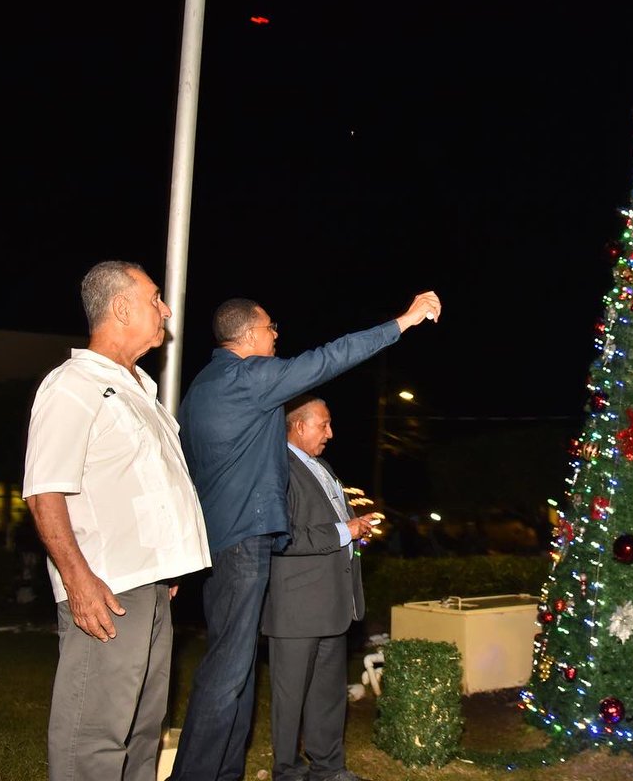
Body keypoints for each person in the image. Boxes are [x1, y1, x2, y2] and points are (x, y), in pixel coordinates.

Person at [169, 290, 441, 781]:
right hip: (243, 542)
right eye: (271, 329)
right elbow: (329, 359)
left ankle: (224, 772)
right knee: (227, 674)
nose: (277, 337)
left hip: (221, 541)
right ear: (250, 335)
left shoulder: (202, 387)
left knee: (240, 672)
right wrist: (404, 320)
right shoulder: (246, 377)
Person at [22, 260, 211, 781]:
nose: (165, 309)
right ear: (121, 307)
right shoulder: (73, 385)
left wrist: (169, 565)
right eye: (154, 298)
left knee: (144, 729)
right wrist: (78, 580)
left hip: (151, 586)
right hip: (107, 586)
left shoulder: (139, 391)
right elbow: (44, 492)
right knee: (95, 736)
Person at [263, 395, 380, 781]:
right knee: (290, 698)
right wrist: (344, 530)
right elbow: (282, 537)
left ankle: (328, 767)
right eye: (323, 424)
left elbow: (331, 527)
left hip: (332, 605)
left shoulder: (323, 468)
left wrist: (355, 526)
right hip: (296, 609)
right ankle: (288, 770)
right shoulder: (276, 468)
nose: (331, 433)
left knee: (328, 697)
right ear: (298, 426)